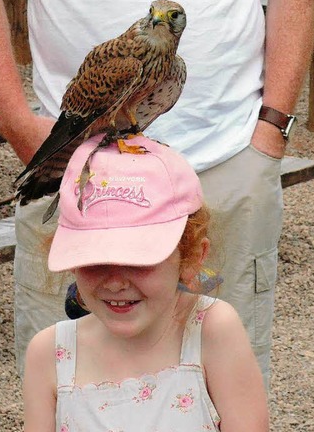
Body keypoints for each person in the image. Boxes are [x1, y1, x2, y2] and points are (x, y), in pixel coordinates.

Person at [0, 0, 314, 386]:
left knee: (220, 382)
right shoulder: (122, 63)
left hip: (225, 158)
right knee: (73, 383)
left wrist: (271, 129)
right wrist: (22, 128)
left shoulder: (171, 73)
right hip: (80, 169)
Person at [23, 134, 269, 431]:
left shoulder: (211, 332)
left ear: (190, 257)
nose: (115, 283)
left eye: (139, 260)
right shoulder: (50, 355)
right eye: (94, 260)